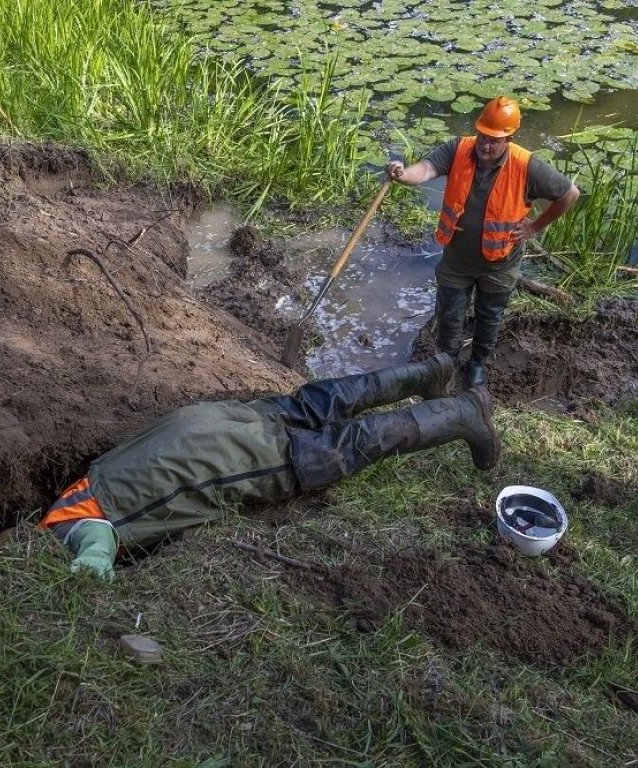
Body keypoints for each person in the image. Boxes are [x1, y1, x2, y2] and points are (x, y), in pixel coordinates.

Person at [36, 354, 499, 580]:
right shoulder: (79, 489)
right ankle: (428, 372)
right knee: (318, 403)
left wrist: (86, 577)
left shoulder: (67, 529)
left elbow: (93, 550)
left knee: (338, 448)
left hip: (222, 455)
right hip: (212, 422)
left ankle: (462, 414)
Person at [386, 96, 580, 387]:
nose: (485, 146)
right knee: (449, 315)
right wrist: (402, 174)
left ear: (509, 138)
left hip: (500, 263)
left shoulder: (527, 166)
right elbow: (425, 169)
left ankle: (477, 363)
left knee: (489, 316)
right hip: (457, 260)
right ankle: (446, 364)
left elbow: (570, 194)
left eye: (494, 140)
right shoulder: (458, 149)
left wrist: (535, 227)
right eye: (483, 137)